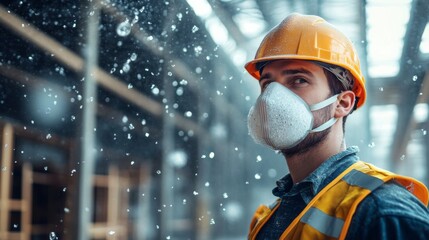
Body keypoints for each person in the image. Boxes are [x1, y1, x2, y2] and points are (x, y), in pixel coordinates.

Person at [244, 13, 429, 240]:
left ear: (342, 103)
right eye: (267, 84)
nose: (272, 98)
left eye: (298, 80)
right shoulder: (272, 216)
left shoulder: (383, 212)